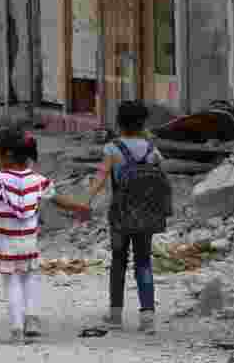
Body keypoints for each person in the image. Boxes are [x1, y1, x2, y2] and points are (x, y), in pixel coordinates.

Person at [0, 127, 90, 343]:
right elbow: (59, 200)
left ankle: (16, 329)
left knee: (11, 283)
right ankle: (31, 320)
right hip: (29, 242)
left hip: (5, 244)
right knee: (30, 279)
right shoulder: (39, 181)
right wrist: (79, 207)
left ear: (7, 154)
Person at [89, 100, 167, 334]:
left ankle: (115, 315)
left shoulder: (112, 149)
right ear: (143, 123)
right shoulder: (152, 149)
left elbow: (101, 178)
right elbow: (160, 180)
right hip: (146, 215)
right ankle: (148, 317)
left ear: (119, 123)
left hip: (120, 216)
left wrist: (85, 201)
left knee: (118, 262)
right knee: (143, 262)